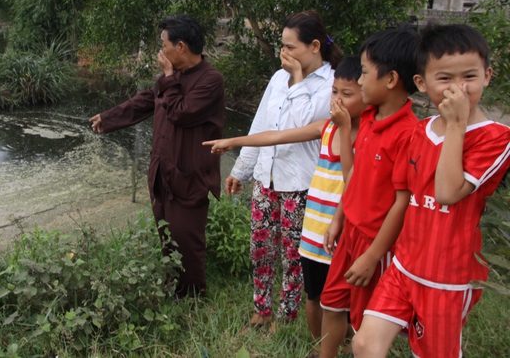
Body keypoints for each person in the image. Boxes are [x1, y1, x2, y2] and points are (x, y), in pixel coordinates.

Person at [353, 24, 510, 358]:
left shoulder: (495, 137)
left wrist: (455, 125)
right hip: (405, 265)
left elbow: (448, 192)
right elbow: (406, 195)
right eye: (445, 79)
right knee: (365, 343)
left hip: (447, 278)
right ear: (422, 84)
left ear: (487, 75)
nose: (458, 89)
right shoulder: (420, 131)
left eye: (469, 76)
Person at [205, 55, 366, 354]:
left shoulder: (359, 128)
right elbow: (274, 132)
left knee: (334, 284)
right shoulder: (322, 121)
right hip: (309, 213)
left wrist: (302, 83)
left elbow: (352, 178)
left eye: (347, 94)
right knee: (304, 278)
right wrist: (236, 143)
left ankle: (335, 338)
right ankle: (315, 340)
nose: (338, 100)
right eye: (336, 93)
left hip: (324, 208)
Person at [89, 14, 225, 297]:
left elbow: (179, 112)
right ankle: (172, 289)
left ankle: (192, 300)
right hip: (163, 173)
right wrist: (109, 117)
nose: (161, 52)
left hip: (189, 176)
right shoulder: (172, 79)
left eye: (164, 45)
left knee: (187, 241)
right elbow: (144, 103)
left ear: (181, 47)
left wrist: (167, 77)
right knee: (167, 237)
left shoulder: (210, 80)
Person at [225, 10, 343, 330]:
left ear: (314, 46)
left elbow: (308, 124)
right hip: (268, 176)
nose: (284, 53)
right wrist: (242, 169)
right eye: (282, 46)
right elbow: (262, 126)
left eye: (291, 47)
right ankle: (262, 308)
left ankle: (286, 316)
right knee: (261, 247)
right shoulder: (279, 78)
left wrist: (300, 81)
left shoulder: (331, 82)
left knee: (293, 255)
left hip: (301, 181)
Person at [319, 26, 420, 358]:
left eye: (364, 73)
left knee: (364, 325)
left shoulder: (408, 134)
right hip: (350, 233)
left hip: (373, 242)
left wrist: (373, 255)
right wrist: (340, 220)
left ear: (390, 80)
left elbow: (402, 203)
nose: (360, 82)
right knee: (331, 302)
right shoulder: (371, 119)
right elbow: (353, 177)